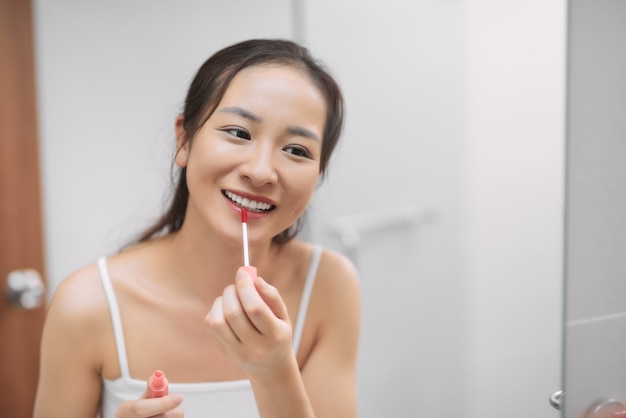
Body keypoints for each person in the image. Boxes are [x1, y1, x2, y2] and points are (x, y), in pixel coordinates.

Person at [33, 39, 360, 418]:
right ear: (184, 139)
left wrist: (273, 371)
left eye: (297, 150)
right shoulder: (86, 305)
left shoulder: (329, 285)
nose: (260, 171)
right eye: (239, 133)